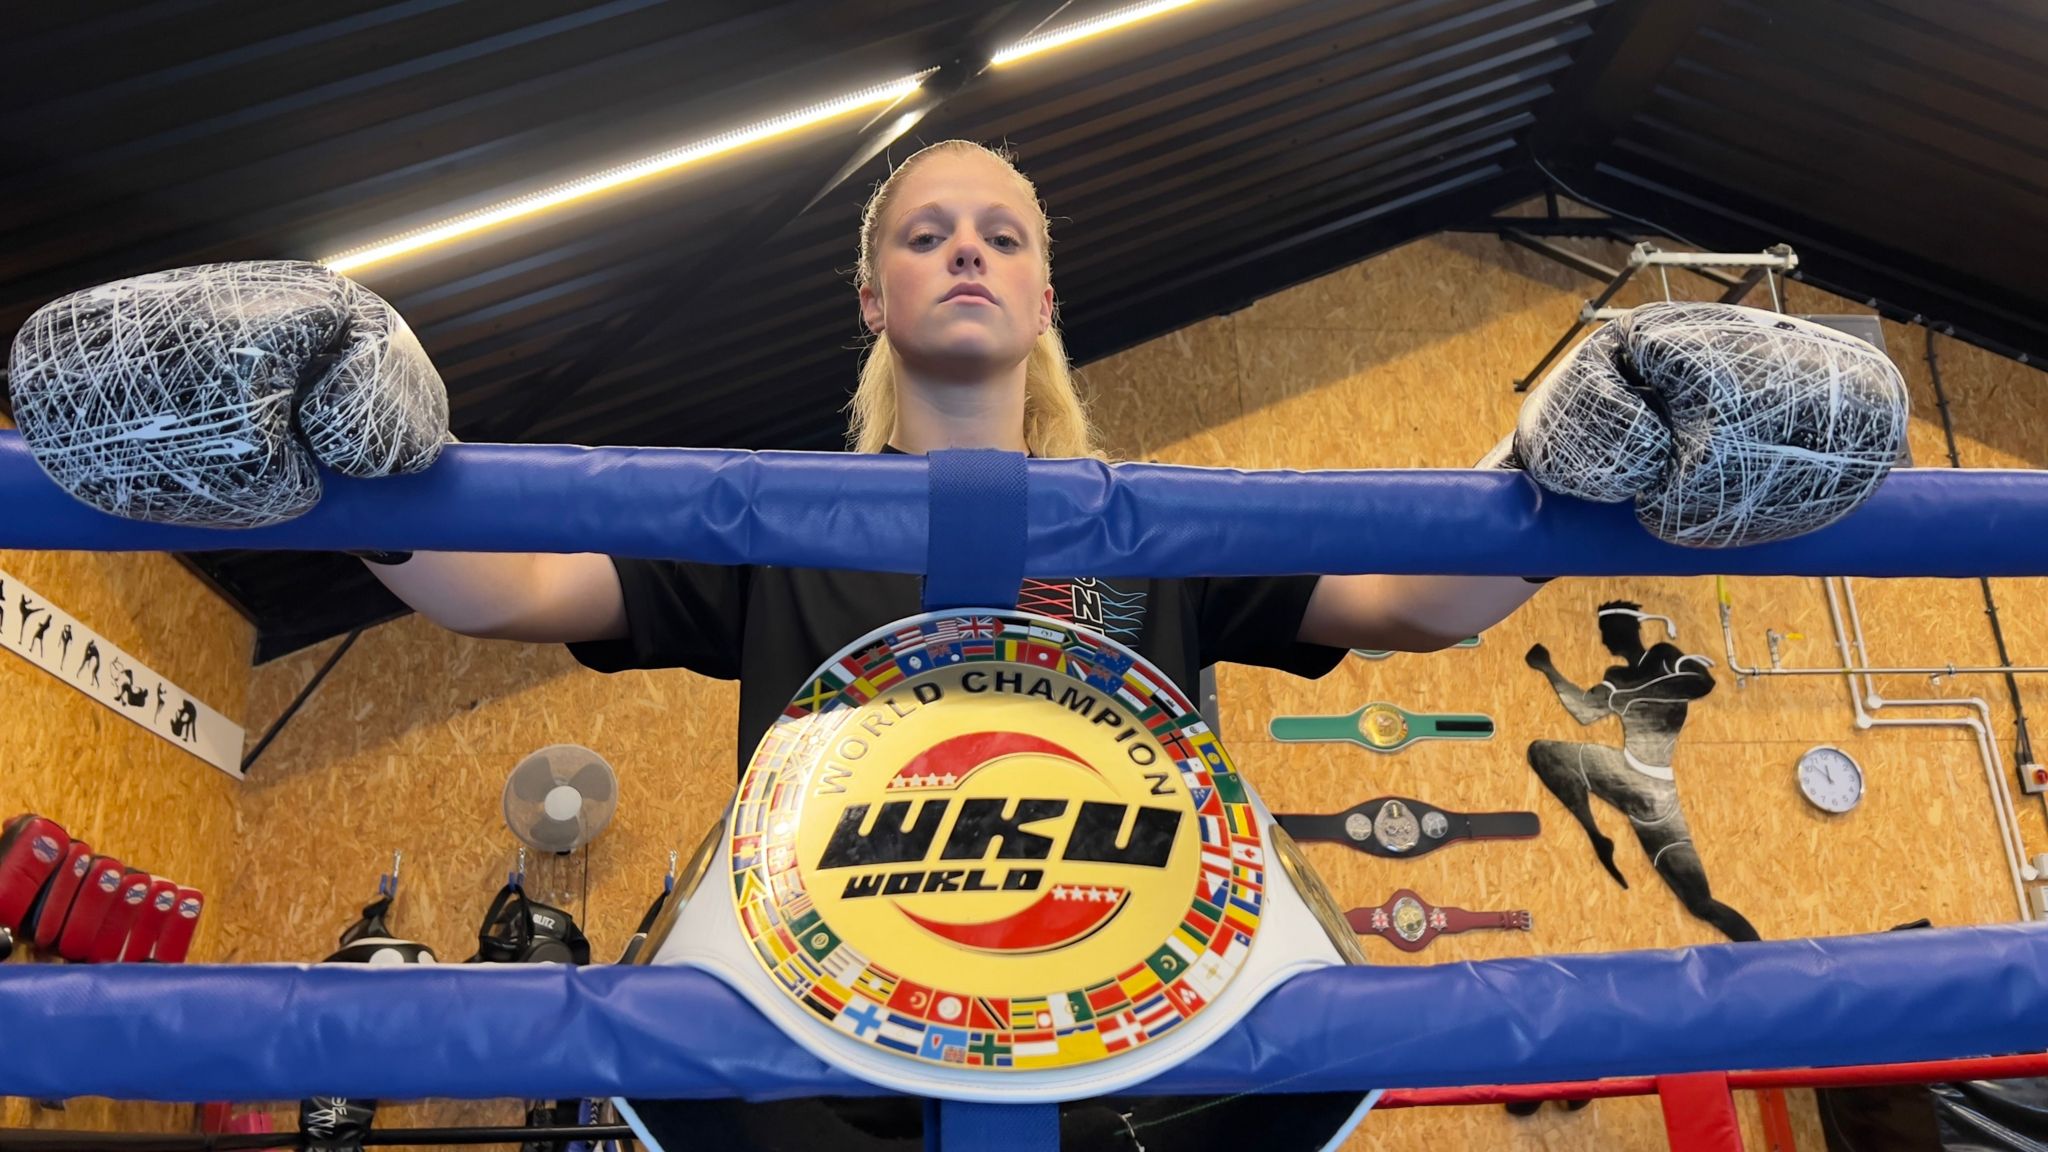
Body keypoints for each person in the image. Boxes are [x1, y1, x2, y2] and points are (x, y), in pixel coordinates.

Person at [6, 137, 1908, 1152]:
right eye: (929, 231)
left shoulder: (1160, 523)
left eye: (1004, 229)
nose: (970, 252)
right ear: (873, 289)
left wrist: (1575, 458)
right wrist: (358, 464)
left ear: (1050, 287)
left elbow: (1414, 595)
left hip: (1150, 1075)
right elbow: (510, 591)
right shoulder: (762, 522)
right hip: (814, 1069)